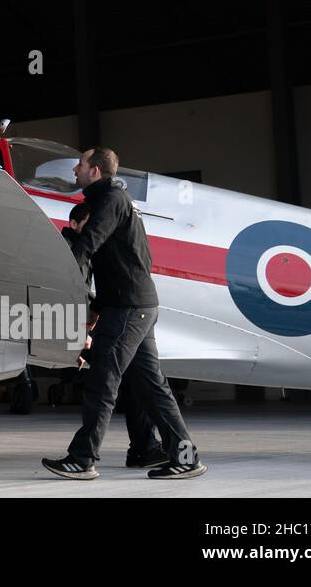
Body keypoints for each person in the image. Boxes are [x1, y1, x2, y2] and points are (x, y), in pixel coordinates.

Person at [42, 147, 205, 480]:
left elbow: (90, 244)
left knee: (103, 381)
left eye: (81, 164)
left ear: (96, 171)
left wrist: (60, 272)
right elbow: (125, 263)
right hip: (137, 306)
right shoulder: (118, 201)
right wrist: (97, 308)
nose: (75, 169)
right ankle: (185, 458)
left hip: (129, 309)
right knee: (153, 388)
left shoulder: (111, 200)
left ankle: (82, 458)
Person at [62, 201, 166, 469]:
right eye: (88, 224)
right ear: (74, 224)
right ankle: (141, 449)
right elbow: (78, 291)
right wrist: (80, 335)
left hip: (119, 316)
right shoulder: (77, 248)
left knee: (136, 384)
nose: (95, 229)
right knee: (115, 384)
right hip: (107, 321)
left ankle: (145, 448)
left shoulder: (94, 246)